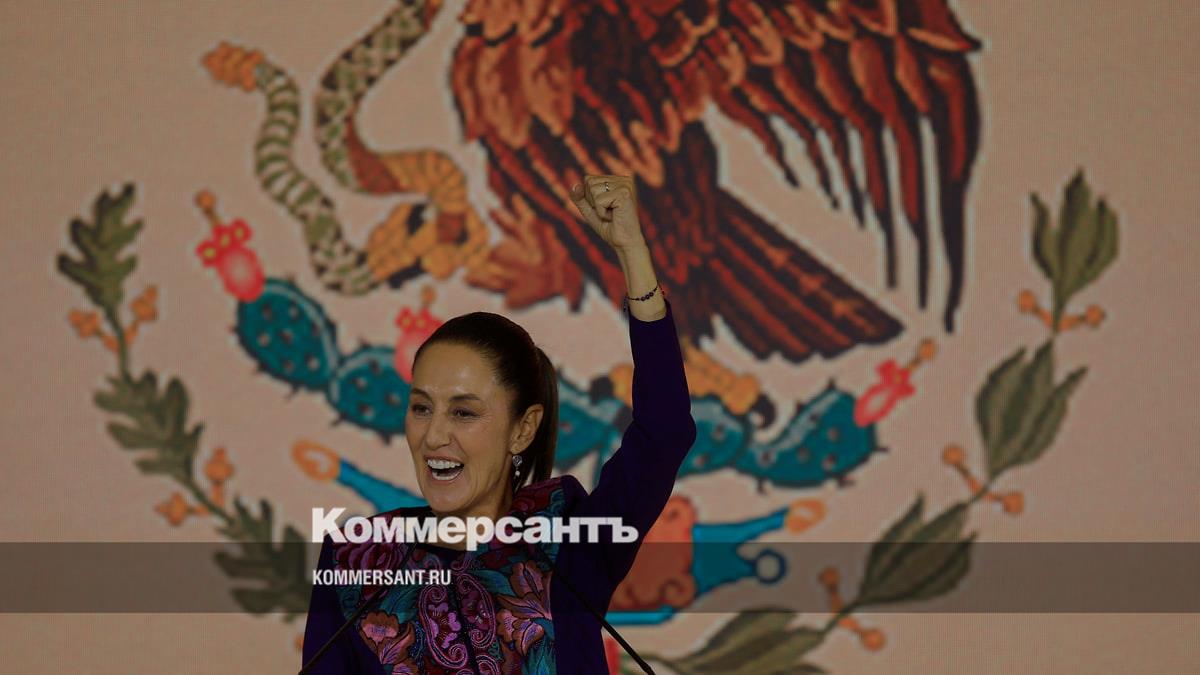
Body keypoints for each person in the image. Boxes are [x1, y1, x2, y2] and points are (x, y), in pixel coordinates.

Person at [301, 175, 697, 674]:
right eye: (421, 407)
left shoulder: (568, 539)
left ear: (522, 430)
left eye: (463, 412)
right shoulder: (356, 561)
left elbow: (664, 433)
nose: (433, 435)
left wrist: (633, 256)